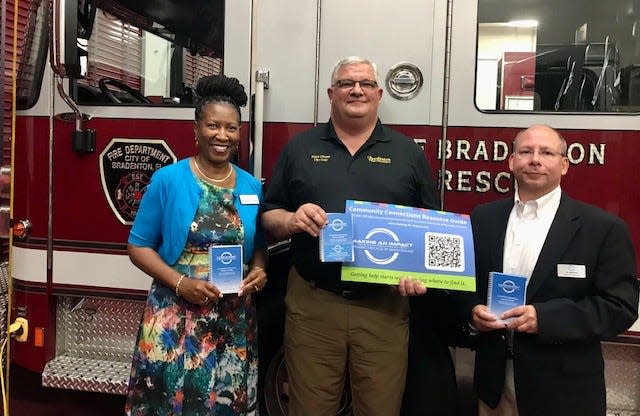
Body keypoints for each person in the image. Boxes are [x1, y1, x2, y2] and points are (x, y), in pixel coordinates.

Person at [261, 56, 441, 416]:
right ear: (331, 93)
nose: (356, 90)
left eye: (365, 84)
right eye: (346, 83)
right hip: (314, 305)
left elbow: (432, 227)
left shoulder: (408, 153)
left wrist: (421, 276)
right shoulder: (300, 148)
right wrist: (292, 219)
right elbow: (269, 215)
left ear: (378, 94)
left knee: (380, 409)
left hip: (383, 308)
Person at [462, 124, 639, 416]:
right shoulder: (483, 218)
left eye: (546, 152)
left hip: (563, 392)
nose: (535, 159)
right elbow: (465, 284)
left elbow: (620, 307)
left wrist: (544, 318)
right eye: (526, 151)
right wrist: (472, 313)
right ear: (512, 161)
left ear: (564, 164)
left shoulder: (602, 229)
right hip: (493, 387)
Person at [124, 74, 267, 416]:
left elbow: (259, 243)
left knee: (223, 404)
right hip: (176, 313)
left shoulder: (250, 185)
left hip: (232, 319)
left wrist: (260, 270)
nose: (222, 135)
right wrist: (181, 283)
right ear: (196, 129)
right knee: (171, 402)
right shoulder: (169, 180)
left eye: (231, 128)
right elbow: (138, 246)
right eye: (213, 126)